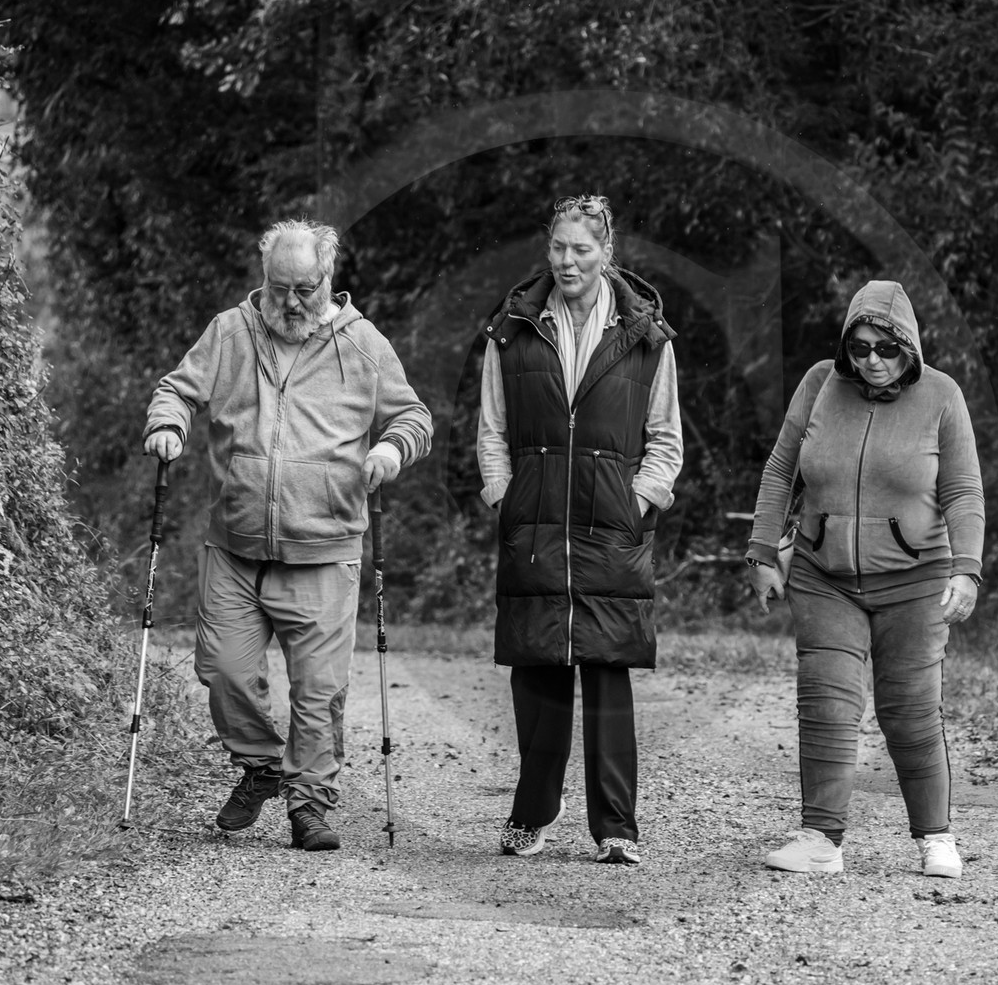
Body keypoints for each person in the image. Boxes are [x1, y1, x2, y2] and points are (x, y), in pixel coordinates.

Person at [143, 219, 432, 852]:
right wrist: (168, 424)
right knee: (223, 670)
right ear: (263, 278)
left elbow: (413, 415)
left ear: (328, 278)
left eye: (305, 288)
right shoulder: (231, 332)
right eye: (280, 288)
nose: (292, 301)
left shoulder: (362, 345)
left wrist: (390, 449)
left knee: (318, 690)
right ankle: (261, 764)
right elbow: (177, 389)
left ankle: (310, 803)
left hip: (325, 547)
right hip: (235, 542)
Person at [746, 279, 984, 878]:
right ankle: (821, 839)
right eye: (860, 348)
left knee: (909, 708)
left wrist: (967, 570)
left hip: (915, 580)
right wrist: (760, 554)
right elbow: (780, 471)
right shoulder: (818, 384)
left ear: (909, 347)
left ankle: (935, 836)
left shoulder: (942, 396)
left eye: (886, 348)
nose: (872, 361)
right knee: (825, 700)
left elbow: (962, 492)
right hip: (824, 575)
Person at [475, 194, 683, 866]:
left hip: (610, 526)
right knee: (536, 673)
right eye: (559, 249)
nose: (568, 261)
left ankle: (616, 827)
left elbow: (665, 439)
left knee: (608, 674)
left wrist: (640, 501)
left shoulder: (647, 336)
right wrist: (503, 497)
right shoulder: (511, 329)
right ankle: (532, 812)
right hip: (531, 523)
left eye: (581, 250)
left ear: (606, 253)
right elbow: (492, 429)